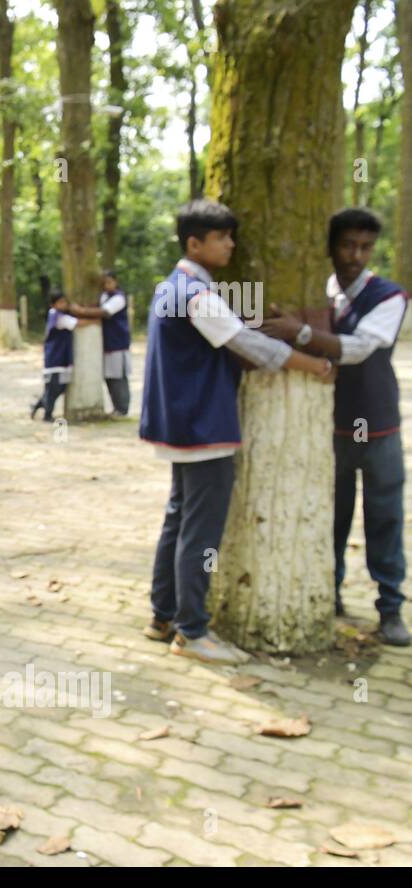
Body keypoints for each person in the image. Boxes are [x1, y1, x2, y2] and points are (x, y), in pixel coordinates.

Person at [139, 199, 335, 664]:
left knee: (179, 518)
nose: (231, 245)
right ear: (195, 243)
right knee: (200, 532)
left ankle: (162, 614)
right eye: (222, 237)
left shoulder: (171, 287)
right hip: (203, 425)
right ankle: (192, 633)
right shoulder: (197, 294)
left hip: (179, 424)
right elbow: (243, 342)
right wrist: (314, 363)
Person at [259, 208, 411, 647]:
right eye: (347, 245)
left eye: (365, 247)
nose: (355, 255)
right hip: (332, 427)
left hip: (378, 426)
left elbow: (359, 348)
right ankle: (331, 593)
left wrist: (300, 332)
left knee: (384, 518)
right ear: (329, 247)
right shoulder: (318, 291)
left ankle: (390, 608)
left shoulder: (389, 297)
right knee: (332, 518)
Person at [68, 270, 131, 416]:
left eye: (109, 282)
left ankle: (122, 408)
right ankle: (116, 407)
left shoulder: (119, 298)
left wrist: (81, 310)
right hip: (107, 343)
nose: (107, 285)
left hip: (118, 344)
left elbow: (104, 312)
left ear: (115, 282)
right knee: (109, 377)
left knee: (118, 377)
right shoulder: (104, 296)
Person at [30, 289, 98, 422]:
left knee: (58, 388)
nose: (64, 305)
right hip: (56, 359)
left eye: (65, 302)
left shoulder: (55, 314)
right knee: (54, 388)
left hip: (61, 359)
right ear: (53, 304)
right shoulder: (59, 317)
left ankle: (38, 405)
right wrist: (95, 321)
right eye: (60, 302)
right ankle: (47, 414)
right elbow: (77, 323)